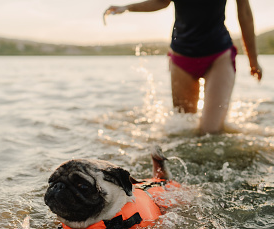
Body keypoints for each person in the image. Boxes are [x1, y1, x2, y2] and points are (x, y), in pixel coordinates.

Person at [104, 0, 262, 134]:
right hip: (182, 57)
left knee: (210, 132)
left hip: (218, 56)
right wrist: (128, 7)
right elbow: (161, 1)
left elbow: (245, 14)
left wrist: (253, 61)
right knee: (184, 129)